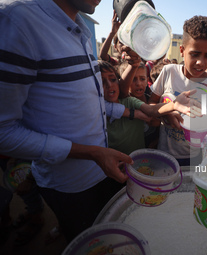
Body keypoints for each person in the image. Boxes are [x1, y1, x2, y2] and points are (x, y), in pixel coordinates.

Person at [0, 0, 134, 243]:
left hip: (101, 172)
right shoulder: (17, 21)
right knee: (89, 243)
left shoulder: (80, 27)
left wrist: (142, 111)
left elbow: (85, 100)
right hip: (69, 186)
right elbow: (3, 132)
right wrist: (91, 153)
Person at [149, 15, 207, 166]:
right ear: (182, 50)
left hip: (197, 158)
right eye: (195, 54)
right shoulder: (169, 72)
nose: (201, 62)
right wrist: (167, 113)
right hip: (165, 154)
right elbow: (150, 105)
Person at [99, 60, 201, 155]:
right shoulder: (97, 109)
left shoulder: (133, 101)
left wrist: (171, 108)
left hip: (140, 159)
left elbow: (152, 110)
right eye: (133, 79)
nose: (138, 83)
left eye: (142, 79)